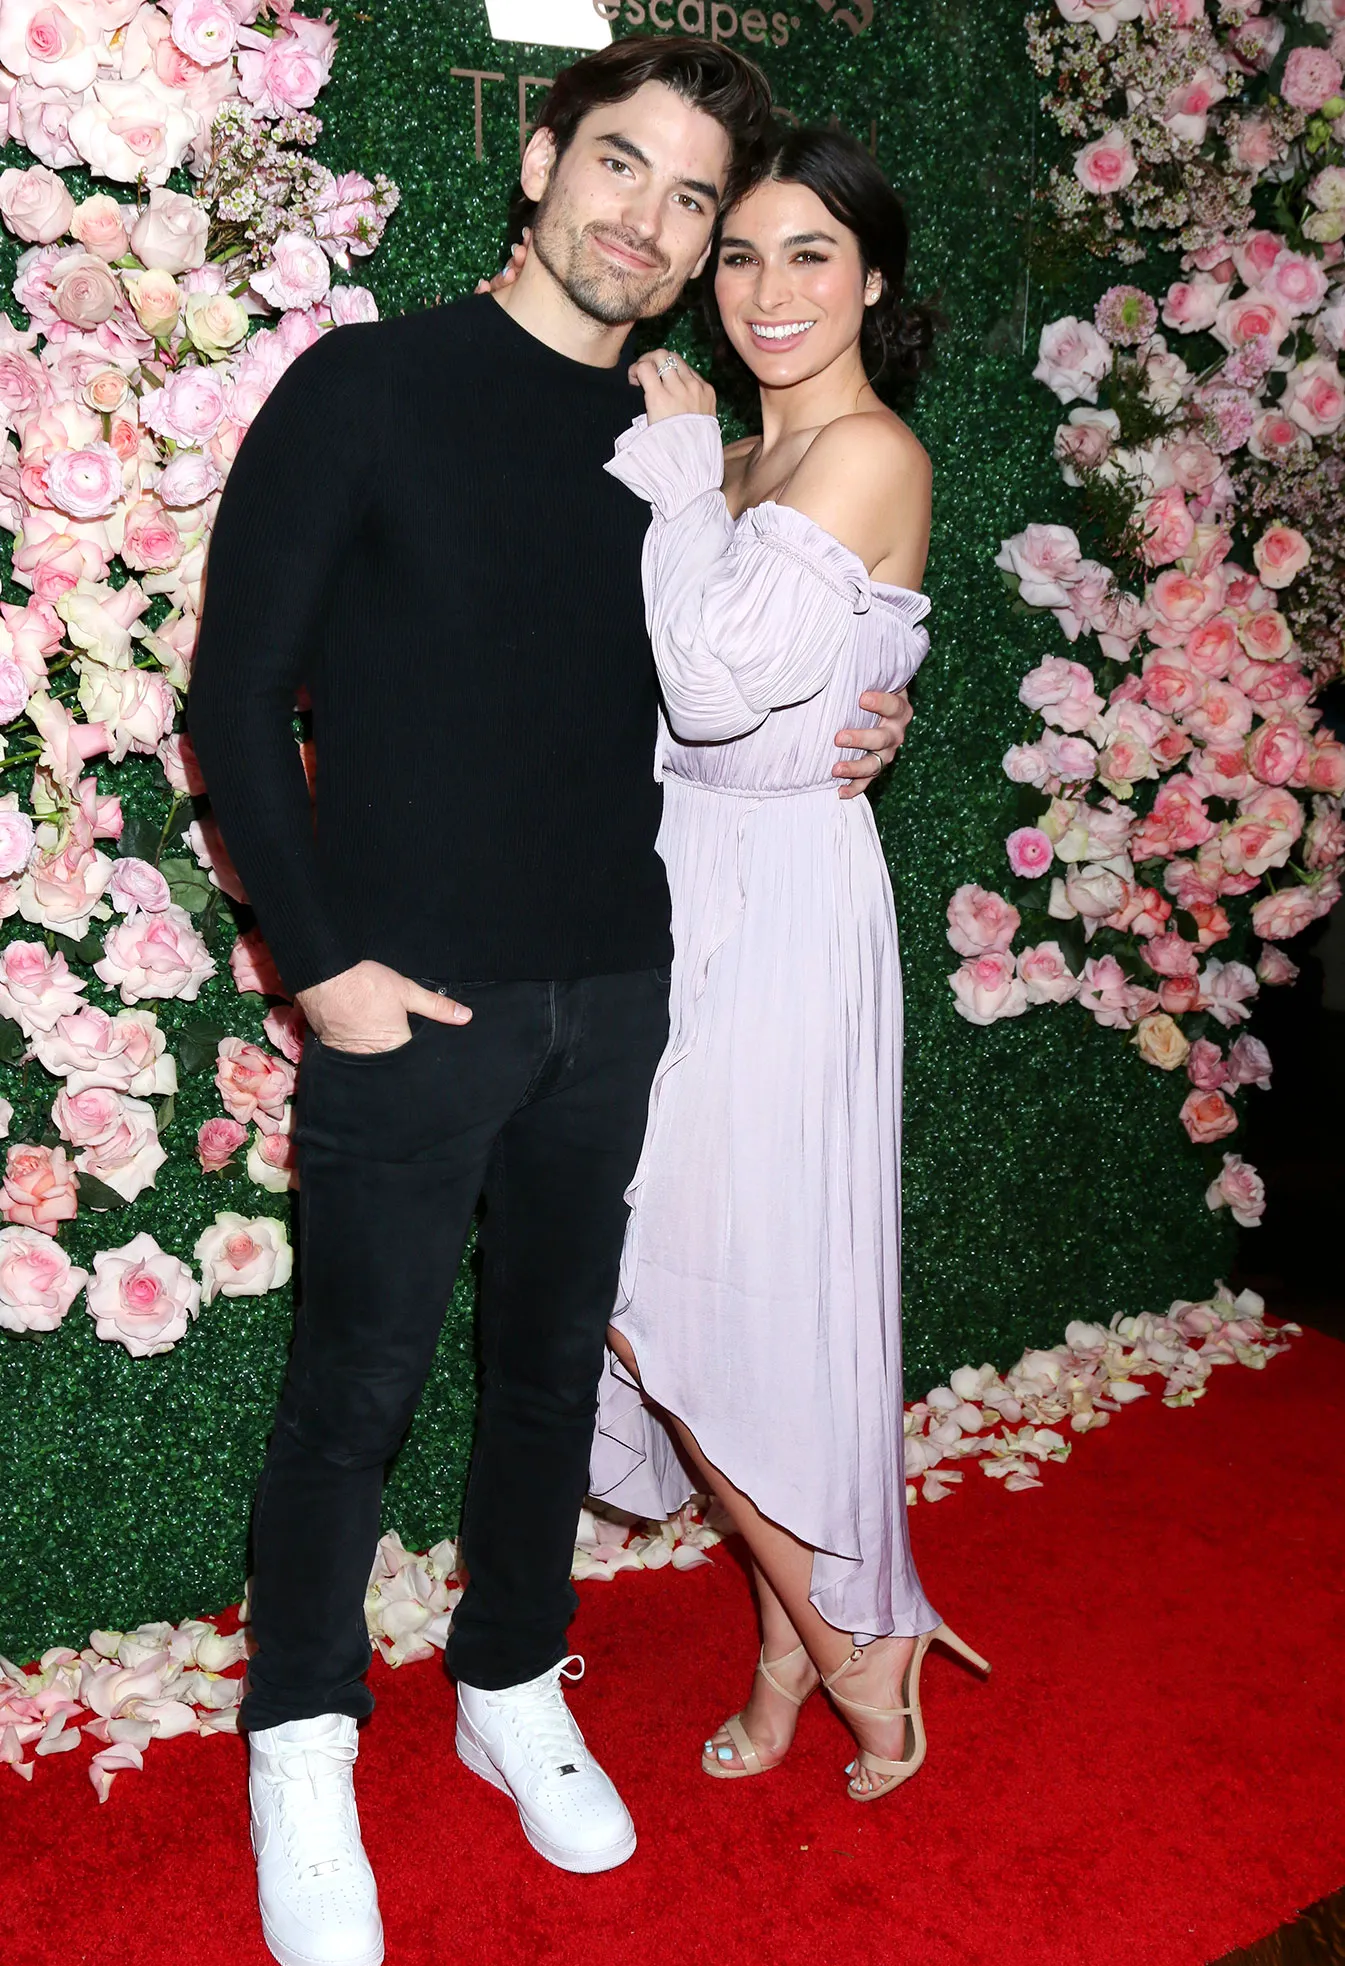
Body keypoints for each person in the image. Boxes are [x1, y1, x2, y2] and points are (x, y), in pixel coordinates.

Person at [188, 38, 910, 1966]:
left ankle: (511, 1676)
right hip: (406, 1008)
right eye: (620, 167)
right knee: (352, 1395)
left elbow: (750, 669)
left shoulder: (684, 442)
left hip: (623, 991)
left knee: (547, 1379)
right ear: (538, 161)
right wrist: (318, 963)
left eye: (693, 200)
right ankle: (302, 1740)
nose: (649, 223)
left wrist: (875, 703)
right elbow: (235, 693)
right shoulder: (369, 385)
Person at [588, 124, 989, 1805]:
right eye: (740, 252)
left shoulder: (865, 453)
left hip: (779, 906)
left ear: (873, 278)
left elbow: (709, 679)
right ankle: (795, 1635)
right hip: (671, 883)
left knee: (682, 1294)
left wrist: (682, 474)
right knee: (675, 1292)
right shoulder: (741, 458)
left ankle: (848, 1637)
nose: (767, 289)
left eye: (810, 253)